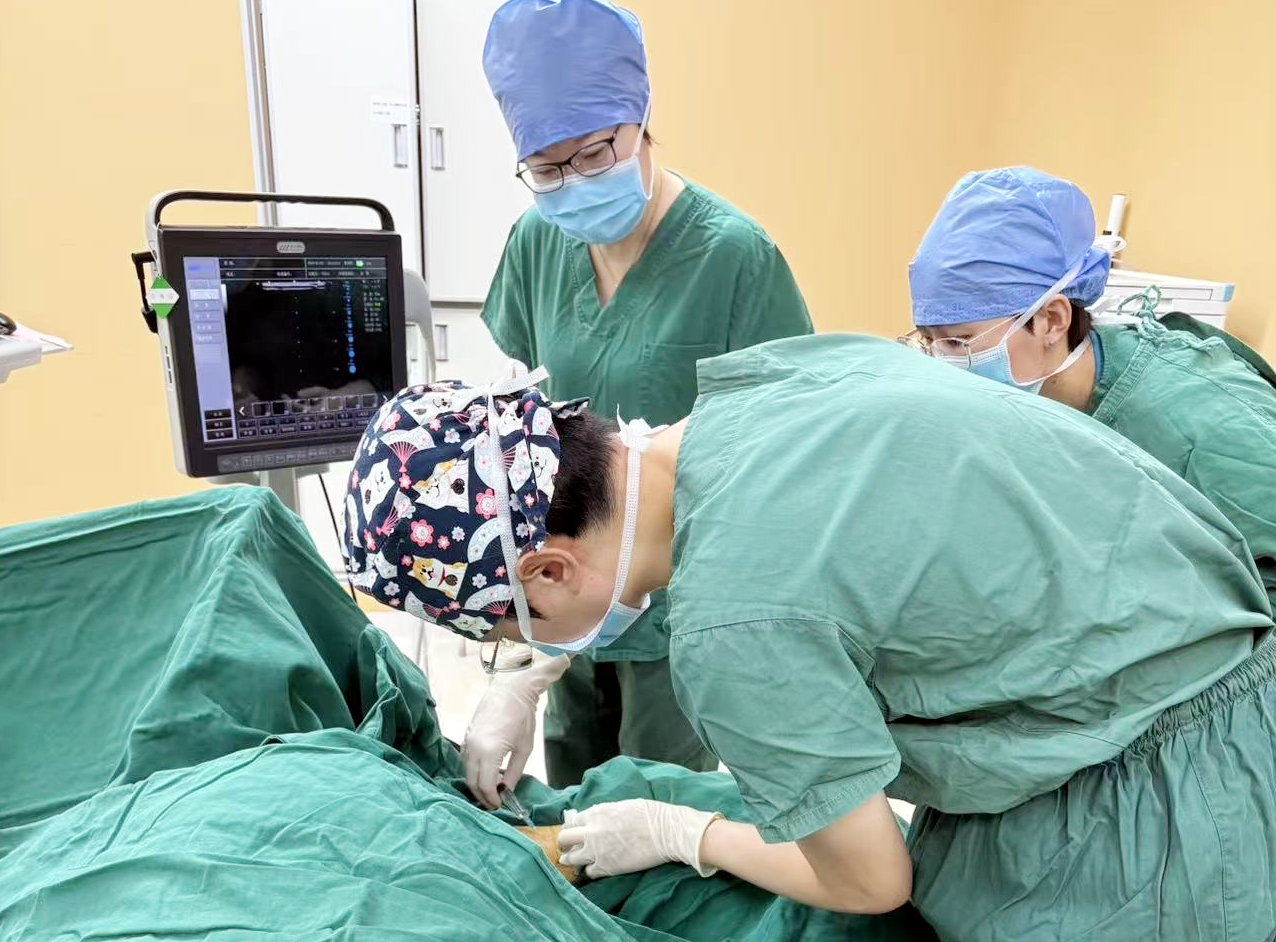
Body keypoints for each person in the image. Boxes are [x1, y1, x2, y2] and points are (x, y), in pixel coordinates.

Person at [344, 337, 1276, 940]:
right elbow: (819, 547)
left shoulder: (734, 630)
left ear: (548, 569)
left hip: (1164, 812)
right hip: (1205, 667)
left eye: (507, 628)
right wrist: (533, 674)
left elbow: (872, 882)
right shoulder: (772, 385)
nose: (517, 643)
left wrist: (684, 832)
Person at [471, 0, 813, 794]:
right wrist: (521, 662)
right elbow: (526, 411)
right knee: (568, 791)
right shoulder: (537, 239)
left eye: (595, 154)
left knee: (655, 795)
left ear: (641, 120)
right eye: (547, 168)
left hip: (677, 592)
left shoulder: (734, 257)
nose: (573, 182)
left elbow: (786, 443)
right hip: (563, 581)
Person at [906, 166, 1276, 613]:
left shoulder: (1206, 423)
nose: (942, 361)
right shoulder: (1034, 397)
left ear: (1052, 320)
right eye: (928, 340)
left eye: (958, 342)